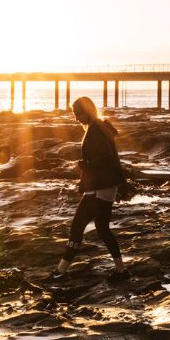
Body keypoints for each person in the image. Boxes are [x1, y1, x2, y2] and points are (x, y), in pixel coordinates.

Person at [53, 96, 129, 281]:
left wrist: (84, 164)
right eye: (74, 114)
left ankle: (60, 272)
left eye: (77, 113)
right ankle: (121, 271)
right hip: (102, 185)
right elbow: (104, 159)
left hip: (101, 186)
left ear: (87, 111)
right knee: (102, 228)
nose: (76, 117)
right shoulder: (97, 128)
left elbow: (106, 158)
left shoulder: (97, 130)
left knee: (78, 227)